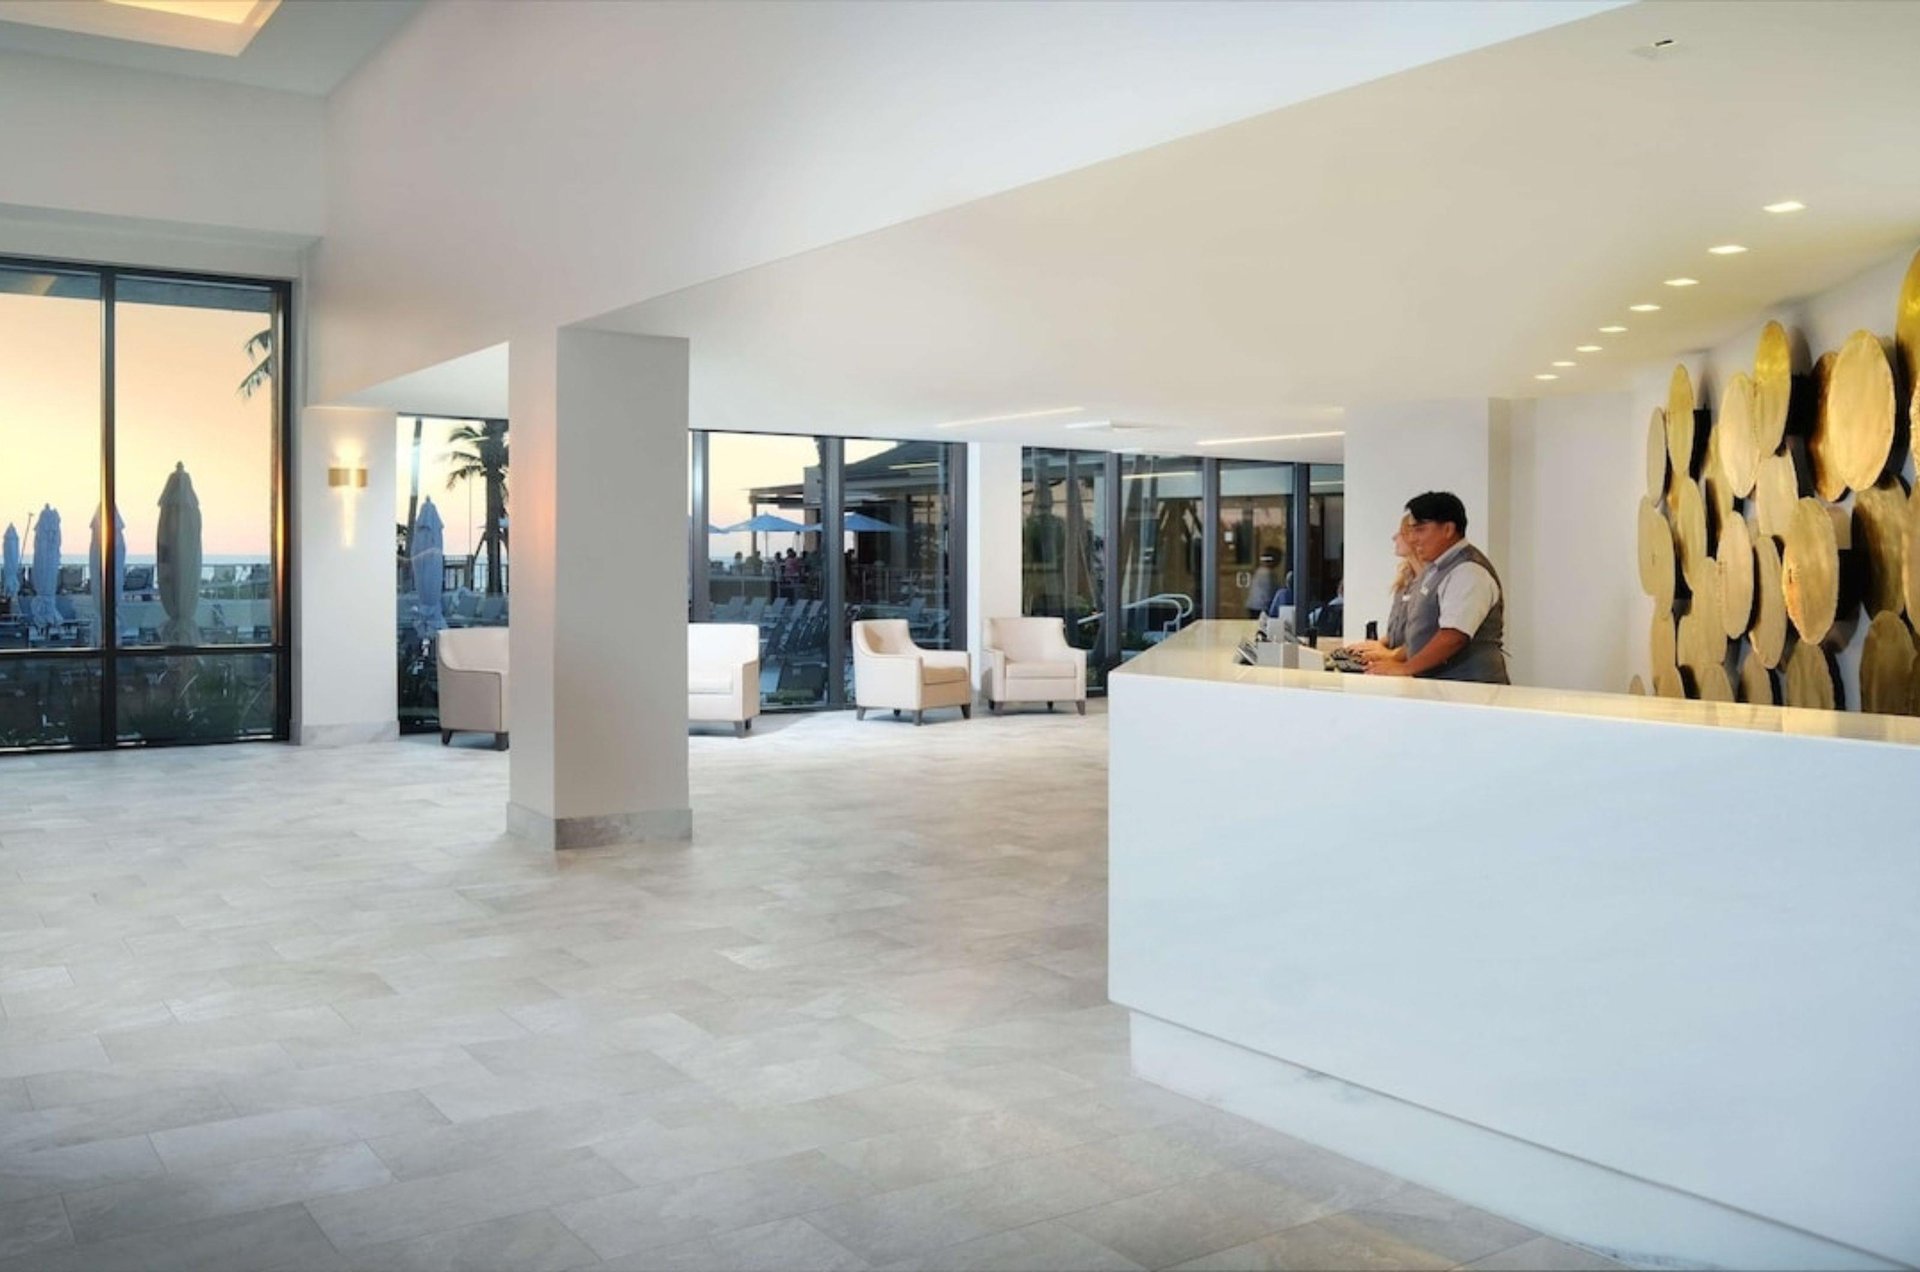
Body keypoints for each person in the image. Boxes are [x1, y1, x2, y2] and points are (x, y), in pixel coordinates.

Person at [1366, 491, 1508, 683]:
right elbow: (1424, 632)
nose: (1414, 538)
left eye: (1420, 530)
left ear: (1448, 529)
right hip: (1440, 687)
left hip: (1469, 689)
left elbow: (1453, 636)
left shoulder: (1468, 571)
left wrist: (1405, 668)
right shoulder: (1435, 568)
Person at [1345, 515, 1422, 667]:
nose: (1394, 537)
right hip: (1395, 660)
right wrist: (1375, 646)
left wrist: (1390, 654)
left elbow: (1425, 637)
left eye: (1401, 533)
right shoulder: (1405, 579)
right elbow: (1398, 633)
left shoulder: (1432, 582)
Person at [1246, 550, 1279, 619]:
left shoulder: (1260, 571)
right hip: (1261, 607)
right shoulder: (1267, 574)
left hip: (1255, 605)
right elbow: (1269, 593)